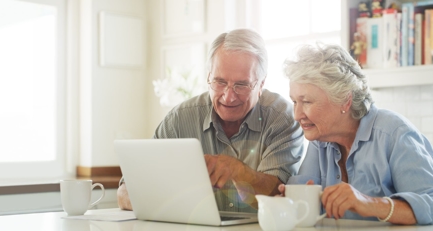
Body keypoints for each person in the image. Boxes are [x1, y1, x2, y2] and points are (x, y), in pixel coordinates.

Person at [279, 43, 433, 226]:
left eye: (307, 102)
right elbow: (302, 196)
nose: (297, 115)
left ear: (345, 100)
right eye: (295, 102)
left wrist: (370, 204)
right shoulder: (321, 141)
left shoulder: (395, 134)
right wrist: (287, 200)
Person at [117, 29, 304, 213]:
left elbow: (278, 193)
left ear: (261, 84)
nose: (228, 97)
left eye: (241, 85)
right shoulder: (180, 119)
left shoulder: (283, 119)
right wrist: (172, 202)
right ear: (208, 77)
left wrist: (239, 172)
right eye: (220, 82)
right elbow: (125, 191)